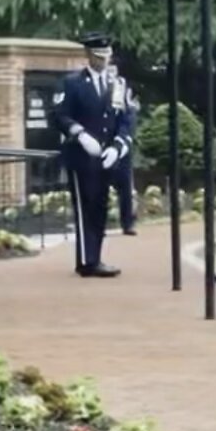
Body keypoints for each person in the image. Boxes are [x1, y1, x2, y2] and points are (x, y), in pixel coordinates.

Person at [48, 33, 132, 278]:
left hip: (106, 155)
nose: (104, 60)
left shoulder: (117, 84)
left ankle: (95, 256)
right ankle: (87, 261)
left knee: (100, 207)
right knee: (85, 207)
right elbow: (59, 115)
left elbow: (125, 119)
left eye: (107, 55)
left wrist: (118, 146)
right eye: (98, 56)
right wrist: (80, 134)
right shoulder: (72, 83)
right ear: (88, 55)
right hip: (81, 155)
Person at [106, 60, 139, 236]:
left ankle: (128, 223)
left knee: (125, 187)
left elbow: (129, 115)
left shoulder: (122, 89)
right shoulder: (97, 88)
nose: (111, 74)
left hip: (121, 144)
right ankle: (99, 224)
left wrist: (123, 140)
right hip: (101, 144)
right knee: (99, 187)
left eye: (113, 70)